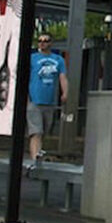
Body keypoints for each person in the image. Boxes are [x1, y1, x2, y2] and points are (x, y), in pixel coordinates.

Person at [27, 33, 68, 164]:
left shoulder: (58, 60)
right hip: (34, 100)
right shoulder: (32, 58)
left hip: (49, 101)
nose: (42, 43)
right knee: (36, 131)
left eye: (46, 41)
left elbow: (62, 77)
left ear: (51, 43)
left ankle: (38, 153)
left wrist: (65, 93)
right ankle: (34, 159)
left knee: (44, 130)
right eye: (40, 41)